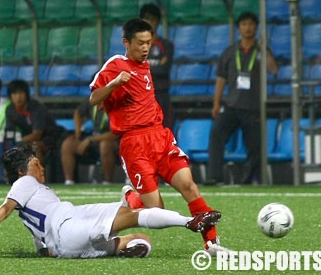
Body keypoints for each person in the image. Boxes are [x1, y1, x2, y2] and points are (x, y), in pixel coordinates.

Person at [89, 18, 229, 255]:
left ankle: (212, 244)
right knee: (156, 209)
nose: (145, 48)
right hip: (134, 143)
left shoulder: (145, 66)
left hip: (160, 136)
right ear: (126, 42)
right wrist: (113, 83)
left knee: (189, 185)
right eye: (140, 43)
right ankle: (132, 196)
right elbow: (93, 99)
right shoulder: (115, 64)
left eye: (149, 43)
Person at [0, 144, 221, 258]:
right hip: (69, 222)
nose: (41, 169)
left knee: (142, 238)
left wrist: (59, 251)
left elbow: (44, 250)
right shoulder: (24, 183)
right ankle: (190, 221)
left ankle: (122, 240)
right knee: (133, 214)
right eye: (36, 164)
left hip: (68, 237)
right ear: (21, 171)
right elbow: (5, 207)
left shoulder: (32, 203)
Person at [207, 11, 279, 185]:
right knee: (216, 134)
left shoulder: (261, 50)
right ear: (239, 28)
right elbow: (221, 78)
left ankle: (246, 180)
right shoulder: (230, 52)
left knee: (255, 147)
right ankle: (214, 176)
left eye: (251, 24)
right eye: (244, 24)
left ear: (256, 27)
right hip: (231, 105)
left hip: (253, 108)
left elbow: (274, 69)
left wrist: (265, 49)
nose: (248, 27)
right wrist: (216, 102)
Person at [4, 79, 65, 162]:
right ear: (10, 96)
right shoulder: (10, 110)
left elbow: (37, 135)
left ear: (27, 94)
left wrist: (18, 141)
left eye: (21, 93)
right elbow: (10, 132)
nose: (18, 97)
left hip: (50, 138)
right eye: (15, 93)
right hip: (26, 138)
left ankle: (39, 174)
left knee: (35, 147)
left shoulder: (37, 108)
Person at [61, 100, 118, 185]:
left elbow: (116, 133)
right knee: (68, 144)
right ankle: (69, 182)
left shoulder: (116, 104)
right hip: (94, 138)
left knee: (105, 145)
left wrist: (90, 139)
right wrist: (78, 132)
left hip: (113, 141)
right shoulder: (93, 100)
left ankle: (107, 181)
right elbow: (78, 112)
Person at [139, 3, 174, 129]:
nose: (150, 23)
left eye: (153, 20)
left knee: (164, 135)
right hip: (141, 97)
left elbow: (163, 69)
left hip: (161, 95)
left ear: (158, 22)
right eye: (146, 19)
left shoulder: (166, 45)